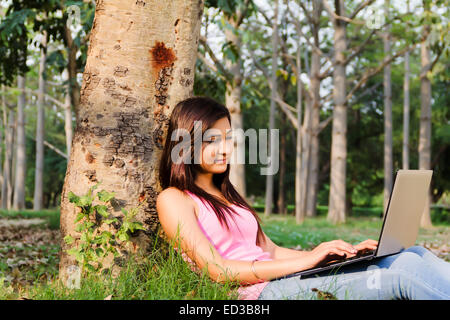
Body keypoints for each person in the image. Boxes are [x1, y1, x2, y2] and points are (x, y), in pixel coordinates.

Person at [156, 96, 450, 300]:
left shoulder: (225, 195)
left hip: (283, 280)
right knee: (404, 273)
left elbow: (269, 250)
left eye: (228, 138)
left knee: (412, 255)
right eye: (211, 140)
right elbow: (218, 271)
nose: (224, 149)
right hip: (261, 293)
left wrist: (333, 255)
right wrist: (307, 261)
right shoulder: (174, 199)